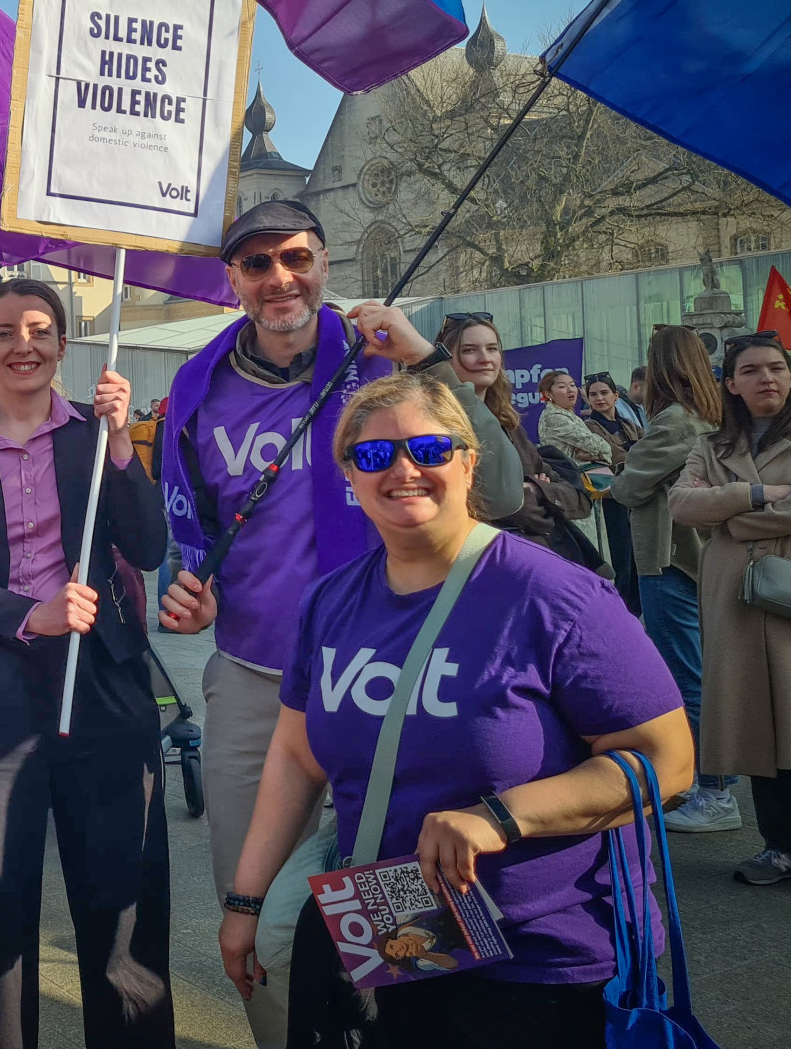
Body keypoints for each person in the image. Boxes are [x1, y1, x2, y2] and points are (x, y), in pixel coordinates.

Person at [218, 371, 692, 1048]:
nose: (404, 470)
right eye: (375, 456)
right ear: (350, 476)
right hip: (399, 930)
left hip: (539, 953)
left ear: (469, 462)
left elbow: (667, 763)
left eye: (430, 450)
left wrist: (503, 816)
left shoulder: (556, 596)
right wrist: (246, 902)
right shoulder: (330, 603)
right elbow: (296, 756)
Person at [154, 203, 522, 1047]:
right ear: (234, 281)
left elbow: (498, 489)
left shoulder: (384, 362)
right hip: (254, 677)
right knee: (255, 918)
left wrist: (428, 356)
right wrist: (197, 590)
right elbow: (198, 528)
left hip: (392, 673)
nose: (279, 277)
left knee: (404, 913)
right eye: (256, 263)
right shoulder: (197, 387)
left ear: (324, 262)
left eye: (295, 257)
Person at [0, 278, 173, 1047]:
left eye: (38, 329)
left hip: (101, 682)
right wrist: (28, 614)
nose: (21, 343)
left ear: (64, 344)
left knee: (120, 898)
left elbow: (151, 548)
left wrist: (125, 442)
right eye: (3, 332)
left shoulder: (98, 433)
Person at [669, 331, 791, 884]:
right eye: (752, 370)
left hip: (785, 592)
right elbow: (682, 503)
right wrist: (761, 496)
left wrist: (732, 515)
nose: (767, 378)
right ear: (731, 383)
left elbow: (708, 508)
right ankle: (778, 846)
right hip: (735, 601)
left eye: (777, 368)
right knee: (756, 726)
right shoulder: (712, 444)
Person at [613, 325, 735, 833]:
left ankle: (715, 792)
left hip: (667, 558)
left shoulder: (674, 422)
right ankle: (713, 783)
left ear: (661, 368)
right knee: (702, 672)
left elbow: (627, 487)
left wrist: (623, 468)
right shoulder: (709, 415)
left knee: (687, 679)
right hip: (697, 557)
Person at [436, 313, 598, 569]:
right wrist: (538, 502)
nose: (485, 359)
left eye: (492, 349)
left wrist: (535, 489)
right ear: (446, 359)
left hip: (541, 562)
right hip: (483, 564)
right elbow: (508, 509)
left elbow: (579, 498)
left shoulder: (510, 426)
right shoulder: (436, 425)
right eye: (469, 350)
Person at [582, 372, 643, 612]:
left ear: (616, 396)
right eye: (593, 394)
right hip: (611, 497)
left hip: (635, 495)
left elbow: (644, 450)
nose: (599, 398)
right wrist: (631, 451)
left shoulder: (627, 424)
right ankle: (622, 611)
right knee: (620, 555)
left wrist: (628, 451)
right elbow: (611, 455)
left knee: (637, 556)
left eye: (604, 393)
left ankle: (636, 610)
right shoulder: (589, 427)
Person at [534, 371, 614, 467]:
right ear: (548, 394)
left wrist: (596, 454)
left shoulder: (567, 414)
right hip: (573, 476)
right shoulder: (554, 417)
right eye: (562, 387)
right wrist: (605, 450)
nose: (570, 390)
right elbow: (592, 443)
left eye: (572, 385)